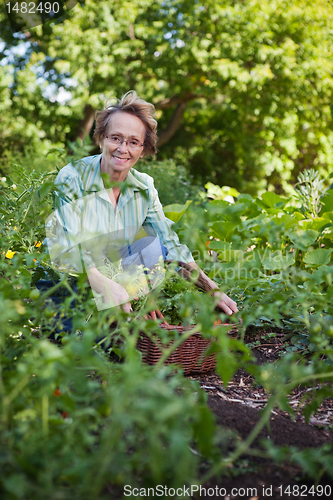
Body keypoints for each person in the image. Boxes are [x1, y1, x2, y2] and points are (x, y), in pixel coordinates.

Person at [45, 91, 238, 319]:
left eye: (133, 142)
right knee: (75, 342)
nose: (123, 149)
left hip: (115, 273)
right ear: (101, 138)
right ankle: (101, 317)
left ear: (143, 149)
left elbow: (170, 244)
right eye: (115, 138)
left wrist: (211, 288)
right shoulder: (73, 177)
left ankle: (128, 315)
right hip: (71, 280)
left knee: (154, 247)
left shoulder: (144, 187)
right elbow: (69, 246)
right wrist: (106, 285)